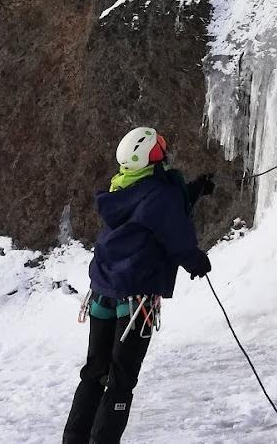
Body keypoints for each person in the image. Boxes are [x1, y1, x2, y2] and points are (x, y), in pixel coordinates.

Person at [62, 127, 215, 444]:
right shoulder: (161, 196)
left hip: (102, 290)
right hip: (136, 299)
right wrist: (196, 261)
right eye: (160, 145)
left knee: (95, 371)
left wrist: (193, 191)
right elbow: (173, 231)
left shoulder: (121, 187)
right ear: (153, 156)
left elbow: (150, 207)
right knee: (121, 380)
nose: (164, 148)